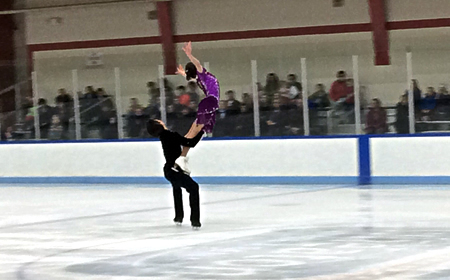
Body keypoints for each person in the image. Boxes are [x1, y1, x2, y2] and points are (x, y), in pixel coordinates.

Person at [147, 119, 204, 229]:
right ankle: (195, 220)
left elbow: (186, 139)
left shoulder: (164, 136)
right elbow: (190, 143)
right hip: (175, 170)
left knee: (177, 188)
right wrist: (202, 132)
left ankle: (179, 217)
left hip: (170, 170)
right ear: (159, 124)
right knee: (193, 187)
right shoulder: (170, 135)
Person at [175, 41, 220, 174]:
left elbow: (194, 72)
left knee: (194, 131)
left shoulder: (200, 77)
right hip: (210, 102)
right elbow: (197, 65)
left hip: (207, 104)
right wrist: (189, 54)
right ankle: (181, 157)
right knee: (197, 132)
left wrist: (184, 72)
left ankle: (181, 157)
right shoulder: (202, 76)